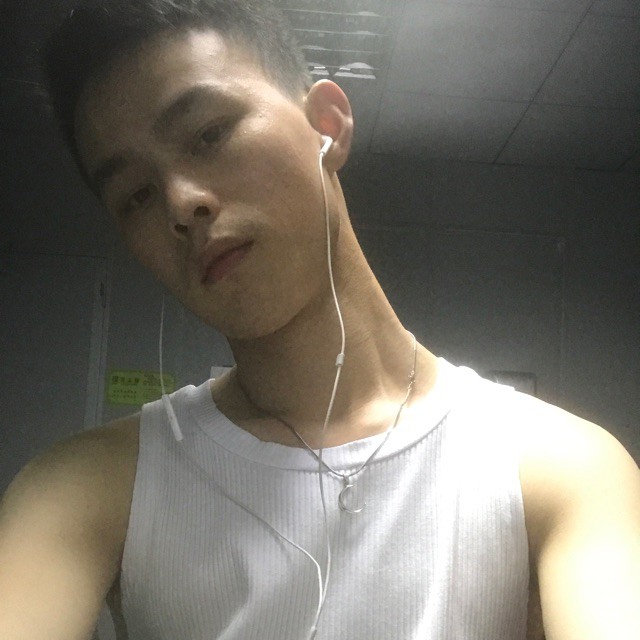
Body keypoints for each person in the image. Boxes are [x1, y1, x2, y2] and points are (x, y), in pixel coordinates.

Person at [1, 1, 639, 638]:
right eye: (136, 195)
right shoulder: (88, 489)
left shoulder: (557, 469)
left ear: (326, 126)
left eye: (208, 134)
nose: (180, 203)